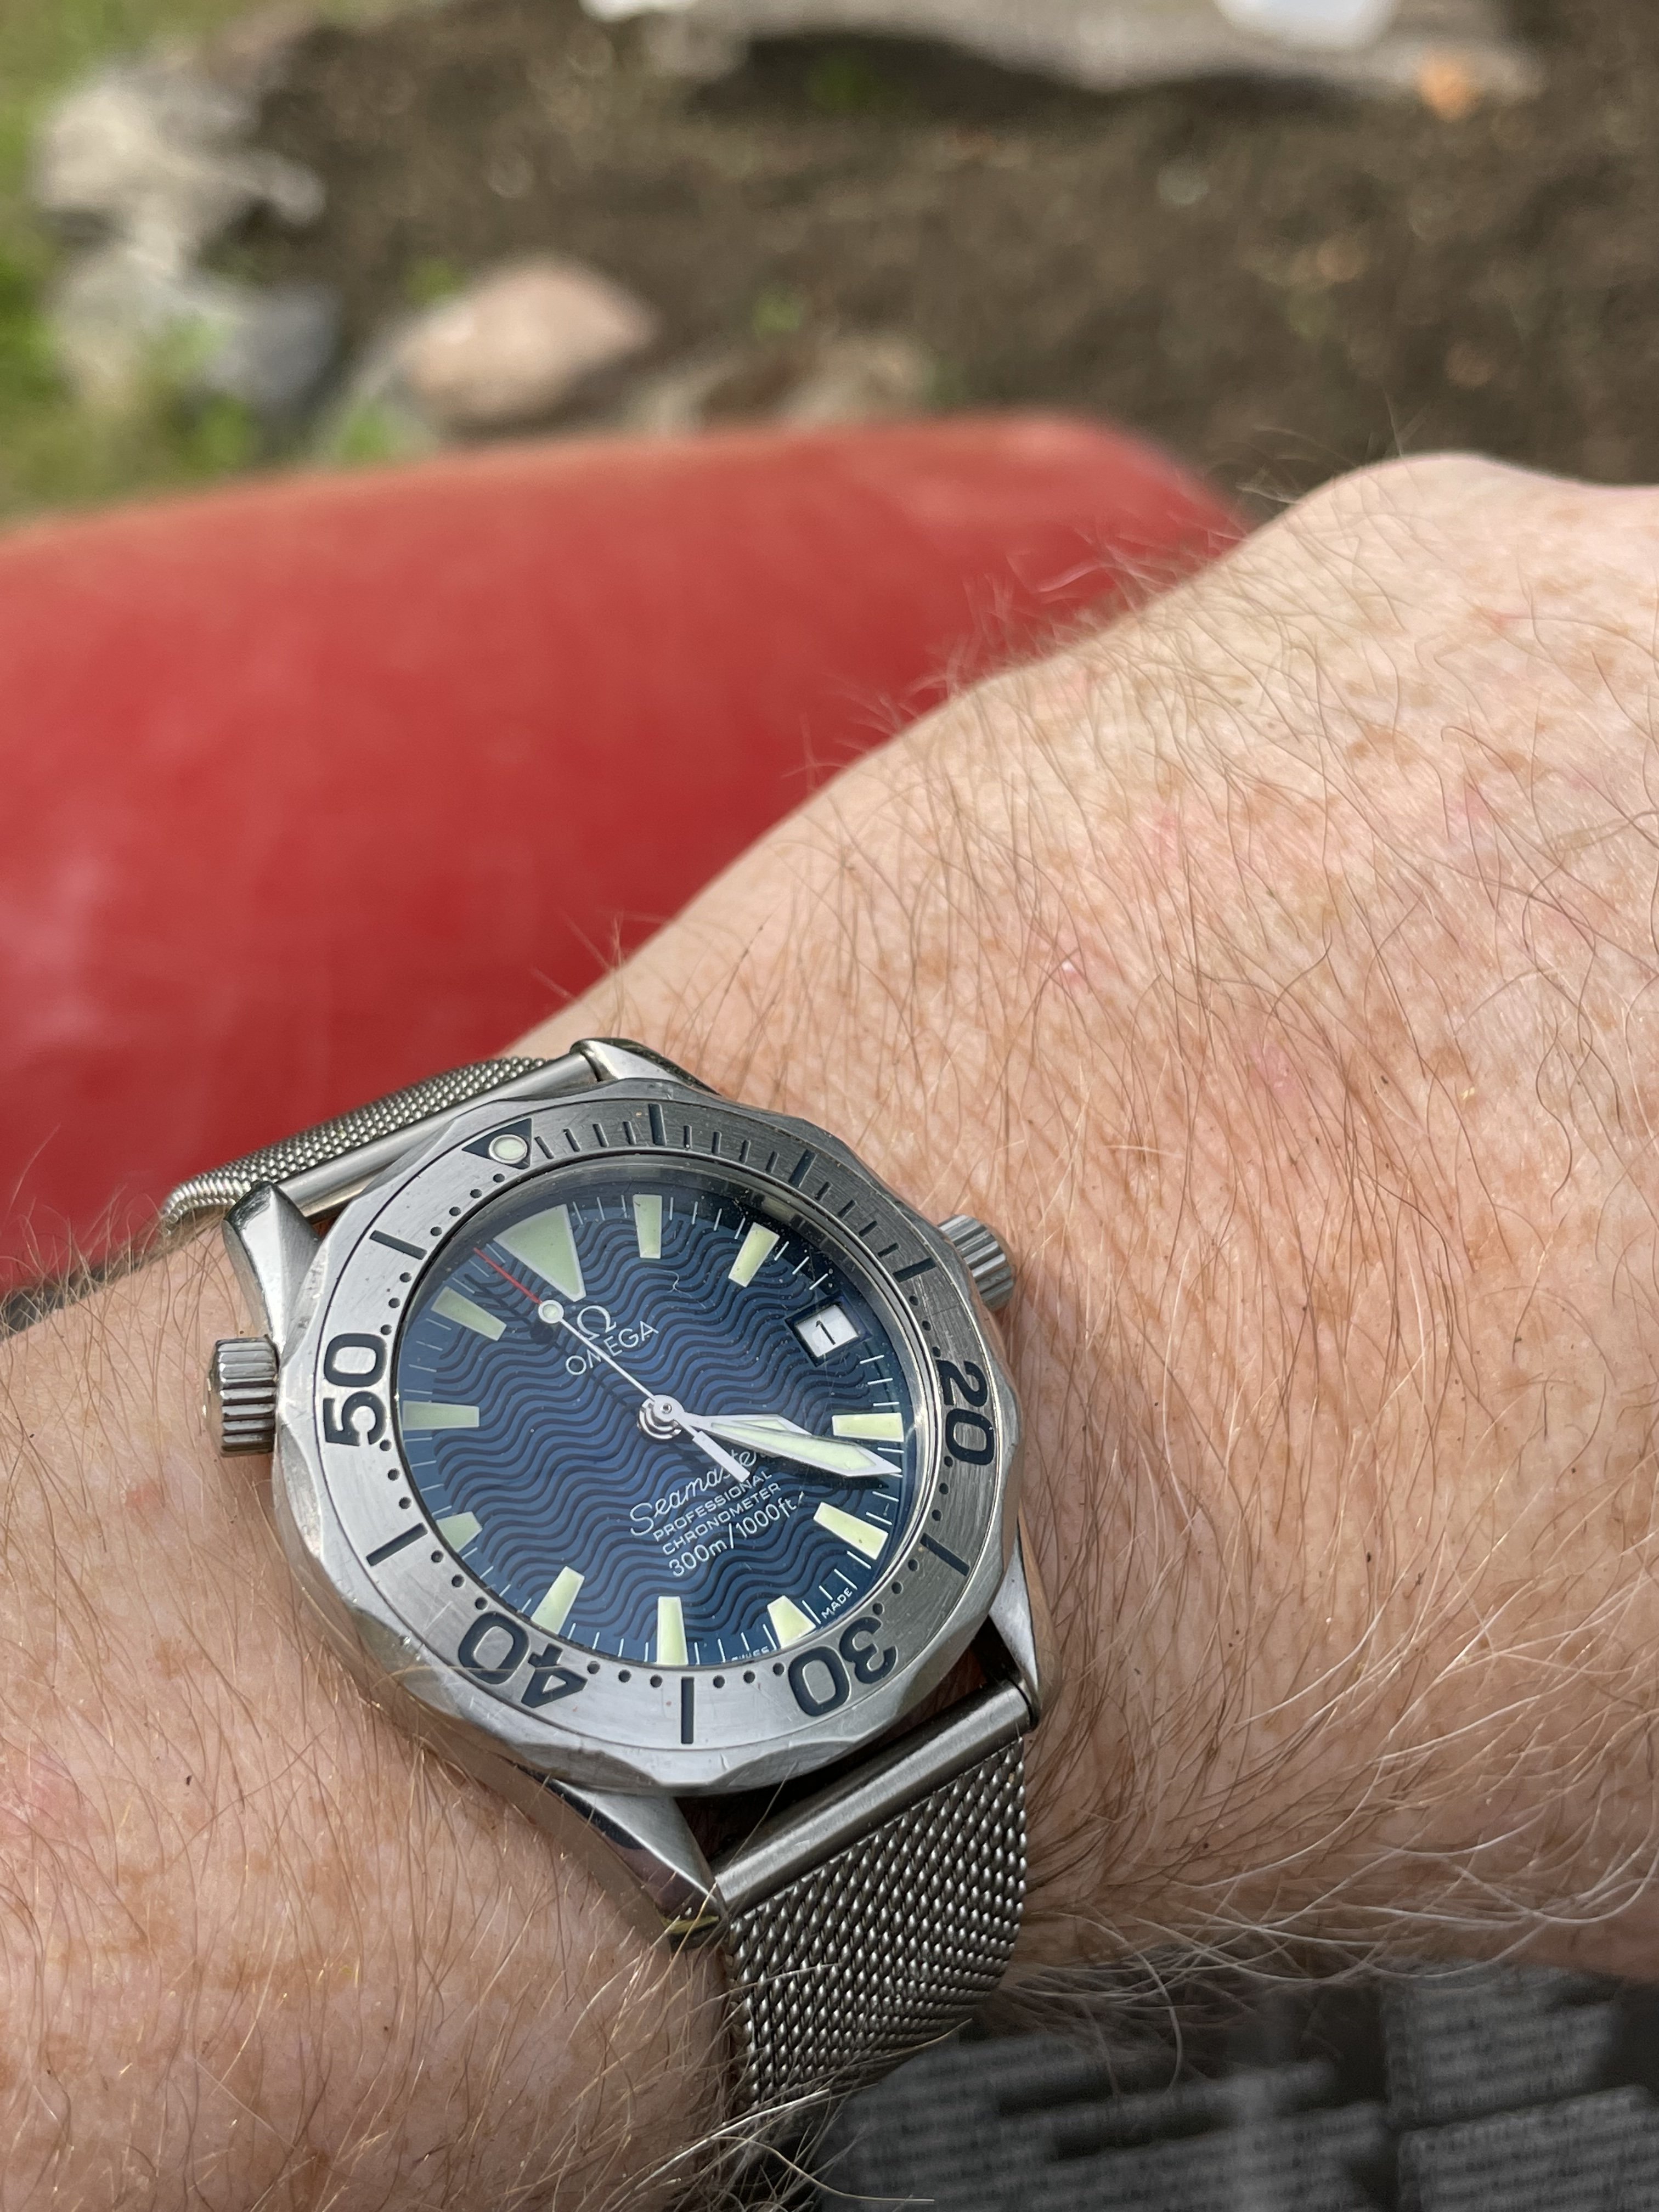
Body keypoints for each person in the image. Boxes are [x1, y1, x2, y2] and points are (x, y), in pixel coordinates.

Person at [4, 451, 1657, 2209]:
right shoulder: (363, 1414)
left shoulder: (741, 1248)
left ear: (944, 1269)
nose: (666, 1427)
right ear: (271, 1402)